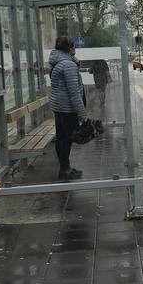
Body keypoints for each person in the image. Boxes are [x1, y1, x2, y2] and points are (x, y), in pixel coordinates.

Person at [49, 36, 88, 180]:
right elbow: (74, 92)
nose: (75, 49)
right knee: (66, 139)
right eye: (73, 46)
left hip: (59, 107)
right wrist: (82, 114)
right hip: (67, 109)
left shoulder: (57, 62)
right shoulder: (68, 65)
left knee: (61, 138)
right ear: (70, 48)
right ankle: (65, 170)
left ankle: (65, 168)